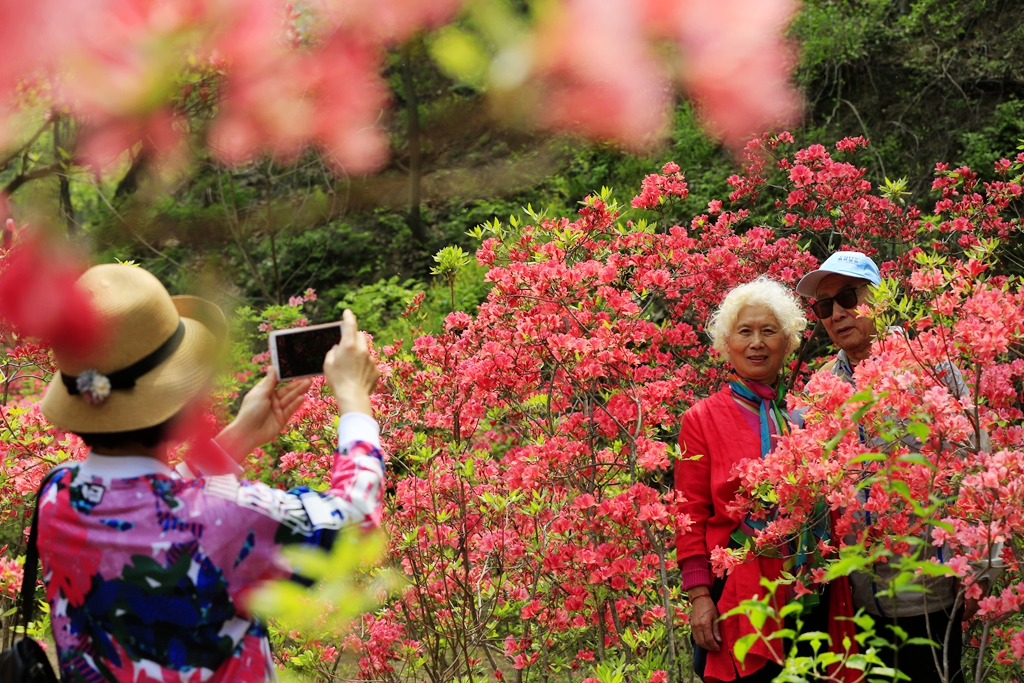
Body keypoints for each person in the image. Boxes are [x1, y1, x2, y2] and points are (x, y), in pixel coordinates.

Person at [34, 263, 384, 682]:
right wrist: (353, 398)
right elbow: (356, 517)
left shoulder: (57, 494)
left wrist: (240, 436)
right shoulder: (223, 515)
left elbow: (148, 505)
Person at [796, 250, 999, 683]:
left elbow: (979, 466)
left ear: (880, 299)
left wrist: (981, 566)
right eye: (824, 306)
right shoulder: (819, 391)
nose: (836, 314)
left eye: (848, 297)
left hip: (935, 592)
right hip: (860, 601)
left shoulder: (934, 367)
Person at [676, 276, 818, 682]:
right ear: (727, 345)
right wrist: (700, 597)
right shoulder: (701, 419)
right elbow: (688, 514)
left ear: (787, 343)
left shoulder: (802, 416)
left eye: (769, 331)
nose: (757, 342)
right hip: (734, 598)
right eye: (745, 331)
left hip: (804, 594)